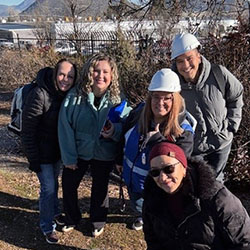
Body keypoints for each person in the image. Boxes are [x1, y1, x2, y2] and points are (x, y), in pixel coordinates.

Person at [58, 53, 131, 237]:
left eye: (105, 71)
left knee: (100, 187)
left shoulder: (118, 99)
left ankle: (98, 220)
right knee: (68, 184)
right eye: (96, 71)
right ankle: (72, 217)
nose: (100, 75)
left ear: (112, 75)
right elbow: (64, 127)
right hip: (78, 151)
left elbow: (128, 127)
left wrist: (113, 131)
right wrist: (69, 157)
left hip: (104, 151)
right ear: (89, 73)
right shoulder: (75, 96)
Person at [116, 68, 195, 231]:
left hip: (159, 191)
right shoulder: (139, 113)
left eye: (167, 98)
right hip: (133, 181)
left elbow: (179, 165)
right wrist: (118, 159)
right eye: (156, 97)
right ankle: (141, 215)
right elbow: (123, 135)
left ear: (176, 100)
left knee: (157, 223)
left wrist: (158, 141)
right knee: (138, 205)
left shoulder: (183, 131)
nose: (160, 103)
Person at [143, 141, 250, 249]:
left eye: (169, 169)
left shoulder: (218, 197)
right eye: (155, 172)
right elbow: (153, 241)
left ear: (184, 168)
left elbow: (244, 241)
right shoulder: (152, 200)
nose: (162, 178)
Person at [171, 32, 244, 183]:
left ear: (198, 55)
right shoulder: (172, 85)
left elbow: (236, 95)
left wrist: (231, 126)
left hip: (221, 144)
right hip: (194, 149)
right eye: (180, 61)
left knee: (216, 184)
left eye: (189, 58)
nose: (185, 65)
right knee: (196, 186)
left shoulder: (218, 73)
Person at [21, 59, 77, 244]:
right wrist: (33, 159)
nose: (65, 79)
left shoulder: (67, 95)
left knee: (54, 187)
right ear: (54, 73)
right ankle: (47, 227)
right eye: (62, 74)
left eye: (70, 76)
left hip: (56, 153)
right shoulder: (40, 94)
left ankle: (53, 213)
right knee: (48, 189)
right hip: (41, 154)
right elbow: (28, 130)